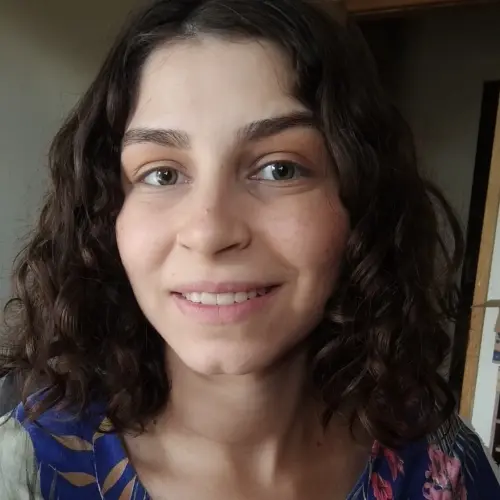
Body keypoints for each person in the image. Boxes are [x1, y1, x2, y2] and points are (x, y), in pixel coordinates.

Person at [0, 0, 499, 498]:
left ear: (362, 201)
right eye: (162, 174)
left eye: (279, 169)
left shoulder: (445, 469)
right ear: (105, 214)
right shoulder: (23, 472)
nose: (210, 232)